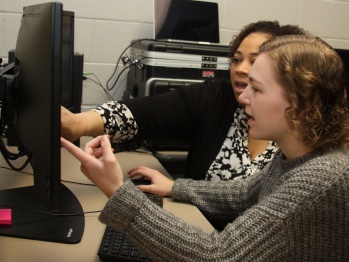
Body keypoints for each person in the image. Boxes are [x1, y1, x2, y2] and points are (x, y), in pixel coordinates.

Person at [61, 35, 349, 261]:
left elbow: (217, 257)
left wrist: (117, 191)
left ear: (300, 104)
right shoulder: (303, 147)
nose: (245, 97)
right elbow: (243, 194)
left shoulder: (320, 180)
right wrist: (175, 187)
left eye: (257, 88)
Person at [61, 21, 307, 181]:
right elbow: (144, 113)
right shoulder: (216, 98)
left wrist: (117, 190)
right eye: (236, 59)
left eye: (254, 62)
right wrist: (78, 124)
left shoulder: (298, 142)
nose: (241, 69)